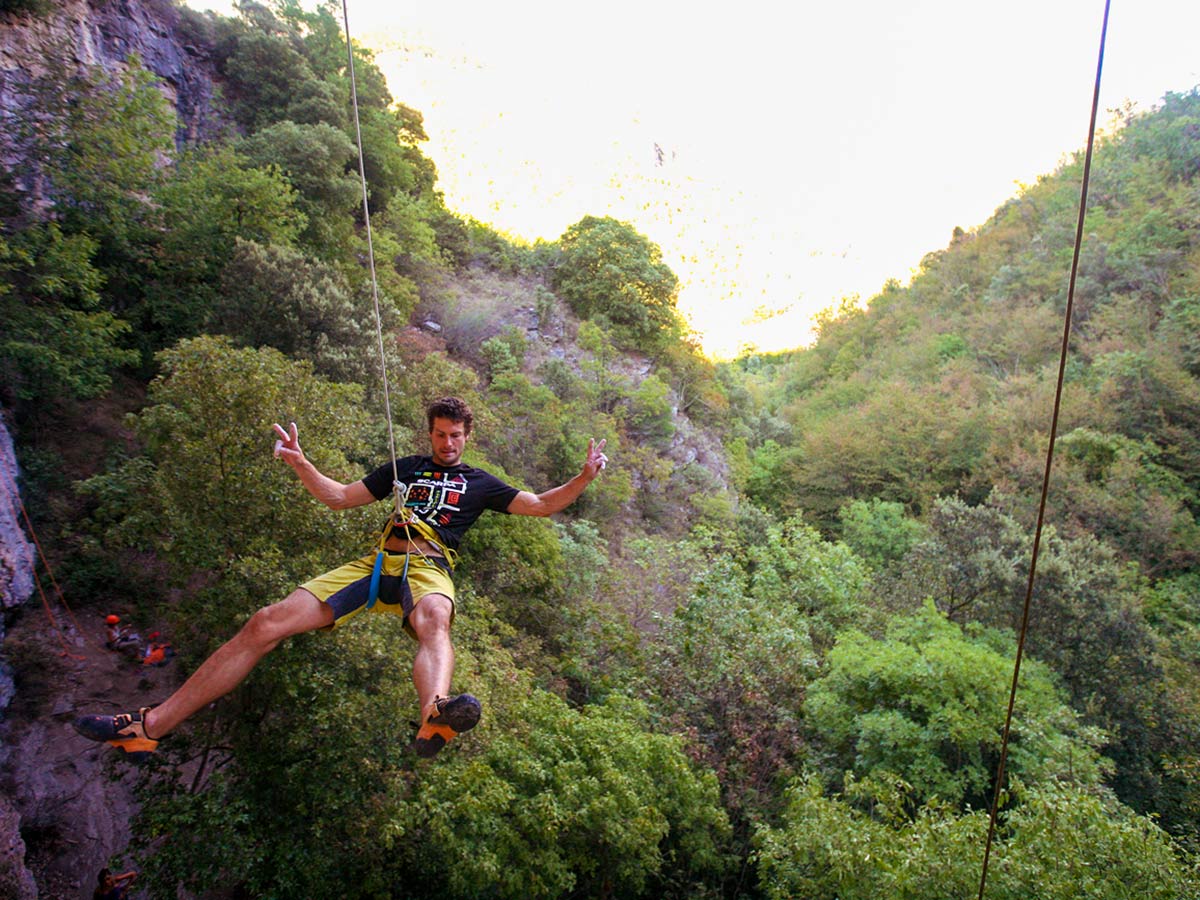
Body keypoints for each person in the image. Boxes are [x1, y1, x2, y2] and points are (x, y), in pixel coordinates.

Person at [74, 397, 608, 759]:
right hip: (375, 566)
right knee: (264, 623)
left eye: (457, 436)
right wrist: (301, 463)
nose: (449, 444)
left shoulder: (480, 483)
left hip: (428, 566)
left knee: (435, 617)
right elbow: (338, 497)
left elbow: (539, 504)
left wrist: (583, 477)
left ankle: (435, 713)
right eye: (442, 435)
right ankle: (149, 727)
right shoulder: (403, 467)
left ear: (468, 437)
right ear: (431, 433)